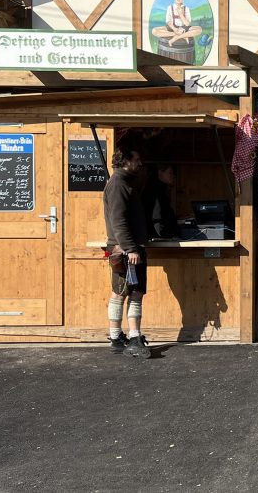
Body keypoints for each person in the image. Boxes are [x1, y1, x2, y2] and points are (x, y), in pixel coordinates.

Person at [103, 147, 152, 359]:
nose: (139, 163)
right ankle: (130, 337)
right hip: (125, 249)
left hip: (127, 247)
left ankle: (123, 336)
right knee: (128, 292)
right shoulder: (118, 184)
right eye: (137, 159)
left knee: (128, 291)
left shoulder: (124, 181)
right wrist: (131, 247)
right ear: (125, 161)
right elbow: (118, 221)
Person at [143, 163, 179, 239]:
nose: (173, 176)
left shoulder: (160, 189)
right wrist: (162, 236)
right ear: (160, 173)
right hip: (158, 236)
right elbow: (156, 215)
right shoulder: (155, 190)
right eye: (170, 173)